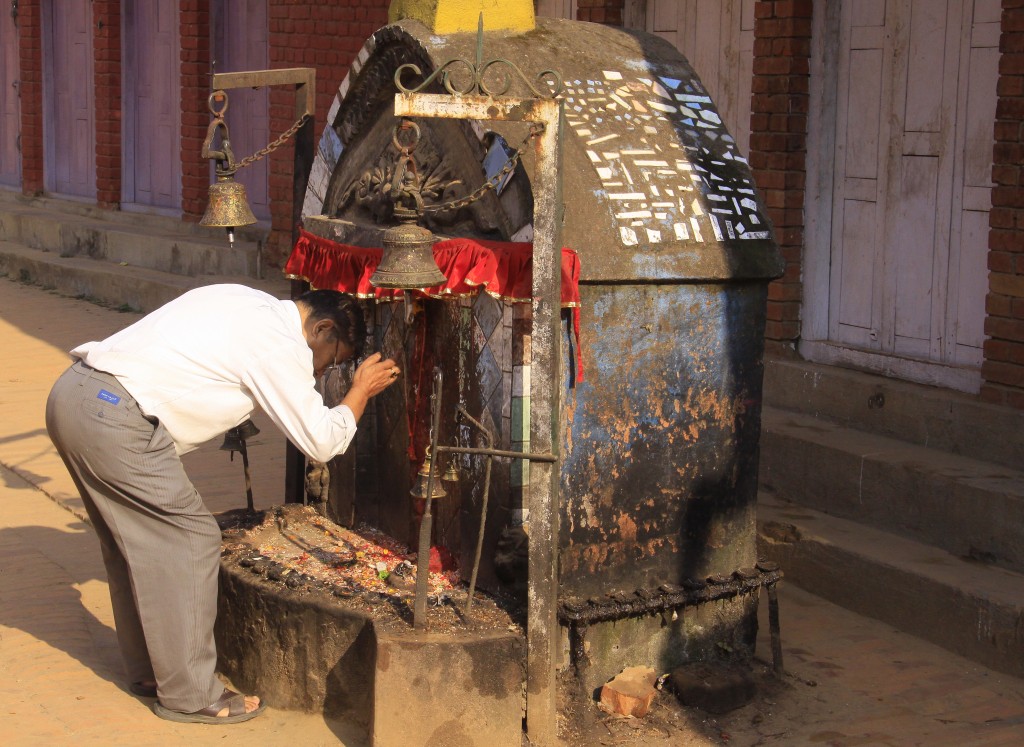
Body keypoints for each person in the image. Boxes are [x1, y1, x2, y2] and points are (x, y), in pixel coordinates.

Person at [44, 284, 399, 724]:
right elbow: (320, 440)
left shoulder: (246, 299)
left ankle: (154, 673)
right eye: (332, 359)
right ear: (321, 329)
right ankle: (191, 695)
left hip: (75, 394)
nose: (321, 372)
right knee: (191, 538)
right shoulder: (280, 344)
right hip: (113, 416)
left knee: (133, 544)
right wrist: (360, 391)